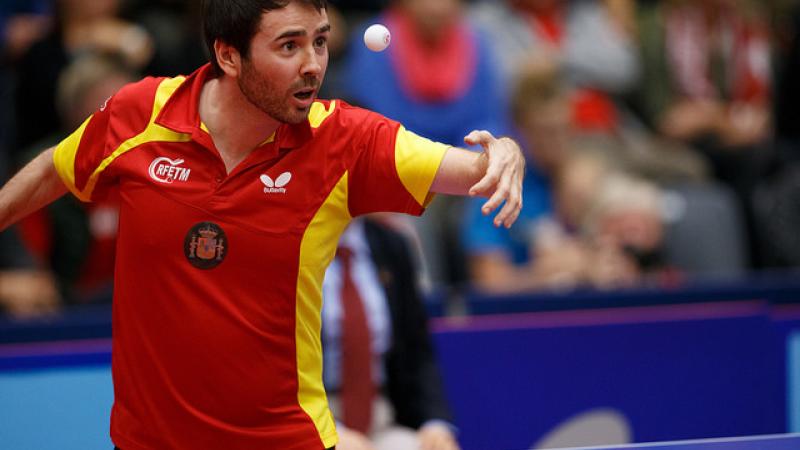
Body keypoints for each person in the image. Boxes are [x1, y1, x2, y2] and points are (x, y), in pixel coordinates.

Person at [0, 1, 525, 449]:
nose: (313, 65)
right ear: (228, 54)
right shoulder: (141, 115)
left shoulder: (344, 141)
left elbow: (472, 168)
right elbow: (56, 168)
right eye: (289, 46)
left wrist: (504, 153)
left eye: (319, 42)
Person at [322, 217, 458, 450]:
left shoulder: (392, 243)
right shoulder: (287, 246)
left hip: (383, 416)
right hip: (313, 417)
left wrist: (434, 423)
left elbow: (417, 350)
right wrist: (328, 429)